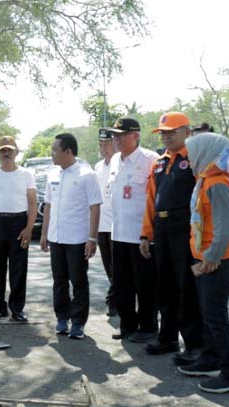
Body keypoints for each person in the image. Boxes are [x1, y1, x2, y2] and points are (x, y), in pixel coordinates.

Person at [177, 132, 229, 394]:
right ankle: (211, 360)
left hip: (221, 260)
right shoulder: (205, 180)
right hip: (209, 258)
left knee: (216, 317)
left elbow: (224, 226)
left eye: (193, 151)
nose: (190, 157)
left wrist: (210, 259)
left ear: (205, 152)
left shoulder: (217, 183)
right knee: (207, 314)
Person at [139, 112, 205, 362]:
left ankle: (195, 345)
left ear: (187, 133)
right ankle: (166, 337)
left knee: (187, 288)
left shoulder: (195, 161)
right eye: (163, 133)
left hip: (185, 228)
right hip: (162, 226)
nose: (166, 137)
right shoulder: (158, 163)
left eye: (172, 132)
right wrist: (146, 234)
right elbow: (150, 200)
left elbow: (203, 200)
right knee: (164, 286)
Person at [40, 133, 102, 339]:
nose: (52, 154)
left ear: (68, 151)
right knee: (59, 281)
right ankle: (62, 318)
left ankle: (78, 323)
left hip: (77, 239)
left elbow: (95, 208)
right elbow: (48, 206)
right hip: (56, 238)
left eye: (55, 150)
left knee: (78, 281)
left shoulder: (86, 175)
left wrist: (92, 239)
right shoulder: (53, 175)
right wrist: (44, 234)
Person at [104, 117, 159, 342]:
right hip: (118, 232)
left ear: (135, 136)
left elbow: (155, 198)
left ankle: (147, 328)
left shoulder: (150, 160)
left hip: (141, 235)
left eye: (121, 135)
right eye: (114, 135)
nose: (116, 139)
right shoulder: (116, 159)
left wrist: (149, 234)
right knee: (122, 284)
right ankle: (128, 325)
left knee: (145, 285)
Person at [0, 136, 38, 322]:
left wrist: (29, 228)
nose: (6, 153)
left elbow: (32, 202)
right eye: (3, 151)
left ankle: (17, 309)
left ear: (16, 152)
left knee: (18, 269)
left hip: (18, 223)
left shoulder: (26, 174)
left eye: (9, 150)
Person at [94, 129, 118, 317]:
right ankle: (116, 295)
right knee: (108, 264)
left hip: (117, 224)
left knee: (117, 266)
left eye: (106, 144)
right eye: (101, 145)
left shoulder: (120, 162)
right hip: (102, 223)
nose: (103, 148)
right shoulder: (98, 166)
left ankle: (114, 300)